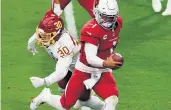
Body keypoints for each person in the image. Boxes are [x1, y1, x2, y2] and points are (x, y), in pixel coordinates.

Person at [30, 0, 123, 110]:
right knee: (67, 104)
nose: (108, 21)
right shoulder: (89, 31)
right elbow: (90, 58)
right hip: (83, 71)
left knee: (111, 100)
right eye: (105, 17)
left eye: (111, 17)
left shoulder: (117, 23)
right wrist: (106, 62)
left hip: (102, 71)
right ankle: (46, 96)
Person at [29, 13, 104, 110]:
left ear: (56, 34)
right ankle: (104, 107)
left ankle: (46, 96)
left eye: (45, 36)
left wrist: (44, 81)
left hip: (82, 69)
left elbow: (61, 72)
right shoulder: (53, 35)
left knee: (82, 100)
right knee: (65, 89)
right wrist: (31, 41)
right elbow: (42, 31)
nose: (41, 38)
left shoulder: (64, 45)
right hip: (71, 66)